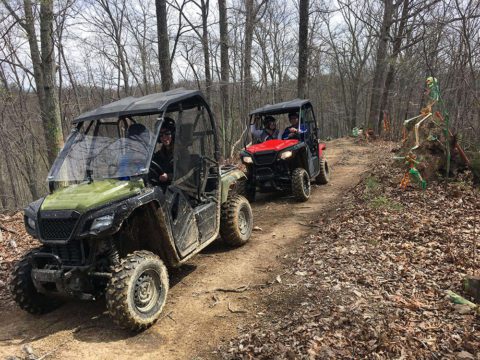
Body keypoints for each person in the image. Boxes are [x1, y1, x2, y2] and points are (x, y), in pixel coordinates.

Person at [152, 117, 175, 185]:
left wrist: (168, 176)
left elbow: (184, 175)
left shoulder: (181, 153)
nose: (164, 137)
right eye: (161, 135)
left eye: (167, 133)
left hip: (177, 189)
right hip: (161, 188)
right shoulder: (159, 155)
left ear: (173, 134)